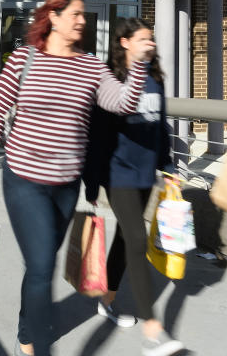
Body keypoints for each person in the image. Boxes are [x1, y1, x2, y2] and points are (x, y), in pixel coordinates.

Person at [0, 0, 154, 356]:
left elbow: (122, 103)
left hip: (66, 185)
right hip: (24, 179)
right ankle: (34, 343)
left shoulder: (91, 66)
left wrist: (137, 66)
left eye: (84, 15)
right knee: (42, 265)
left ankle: (29, 319)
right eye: (75, 14)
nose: (82, 21)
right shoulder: (23, 60)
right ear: (52, 17)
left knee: (41, 263)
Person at [83, 18, 184, 356]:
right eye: (142, 38)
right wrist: (92, 182)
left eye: (151, 38)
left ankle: (107, 299)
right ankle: (153, 328)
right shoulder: (112, 80)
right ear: (124, 42)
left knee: (126, 239)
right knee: (138, 239)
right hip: (118, 173)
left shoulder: (155, 79)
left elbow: (161, 128)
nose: (150, 43)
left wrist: (168, 167)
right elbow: (98, 136)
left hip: (145, 175)